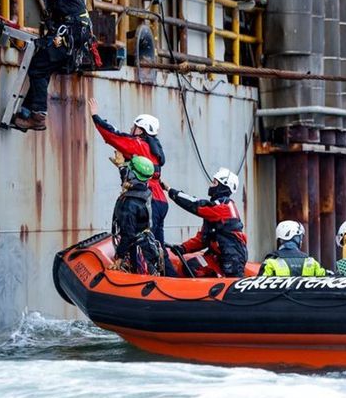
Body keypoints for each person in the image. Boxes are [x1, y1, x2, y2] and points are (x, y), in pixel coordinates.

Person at [0, 0, 95, 131]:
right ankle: (27, 112)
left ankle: (38, 116)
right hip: (74, 31)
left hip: (69, 31)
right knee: (43, 65)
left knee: (39, 67)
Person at [87, 98, 168, 244]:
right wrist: (123, 166)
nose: (131, 129)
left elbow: (114, 136)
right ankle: (166, 267)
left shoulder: (139, 145)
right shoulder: (154, 149)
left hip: (149, 201)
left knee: (144, 246)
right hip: (161, 201)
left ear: (141, 130)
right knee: (158, 247)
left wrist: (95, 117)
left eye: (134, 127)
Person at [164, 168, 249, 278]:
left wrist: (170, 191)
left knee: (232, 280)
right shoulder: (215, 210)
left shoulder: (223, 207)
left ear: (222, 186)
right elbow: (203, 239)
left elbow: (195, 204)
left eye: (214, 182)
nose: (211, 185)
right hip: (216, 257)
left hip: (232, 257)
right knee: (192, 266)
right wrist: (183, 248)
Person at [111, 156, 164, 275]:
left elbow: (128, 234)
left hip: (137, 252)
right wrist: (121, 167)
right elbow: (131, 182)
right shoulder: (145, 192)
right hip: (146, 245)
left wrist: (119, 258)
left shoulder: (130, 204)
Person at [260, 221, 326, 277]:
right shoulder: (311, 261)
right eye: (300, 237)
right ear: (295, 238)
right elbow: (325, 280)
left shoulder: (271, 261)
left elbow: (259, 285)